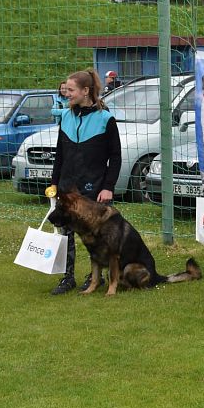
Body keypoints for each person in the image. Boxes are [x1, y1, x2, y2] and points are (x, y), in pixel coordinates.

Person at [49, 69, 122, 295]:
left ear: (85, 91)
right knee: (65, 234)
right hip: (66, 187)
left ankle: (95, 277)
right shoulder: (66, 117)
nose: (66, 93)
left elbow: (116, 156)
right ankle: (67, 276)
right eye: (66, 90)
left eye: (71, 90)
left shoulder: (105, 119)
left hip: (94, 187)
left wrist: (108, 186)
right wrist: (54, 184)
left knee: (97, 236)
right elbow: (60, 154)